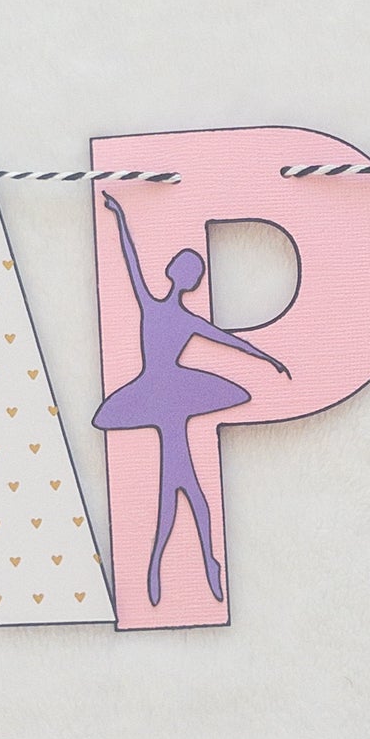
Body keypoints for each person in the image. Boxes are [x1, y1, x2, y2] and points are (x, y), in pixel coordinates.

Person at [94, 190, 289, 606]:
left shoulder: (181, 317)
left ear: (187, 280)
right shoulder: (154, 306)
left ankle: (171, 565)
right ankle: (180, 564)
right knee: (183, 492)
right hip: (159, 393)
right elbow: (129, 260)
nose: (187, 276)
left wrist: (268, 358)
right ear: (176, 273)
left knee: (181, 492)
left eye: (191, 273)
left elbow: (231, 341)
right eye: (187, 269)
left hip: (172, 395)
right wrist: (119, 216)